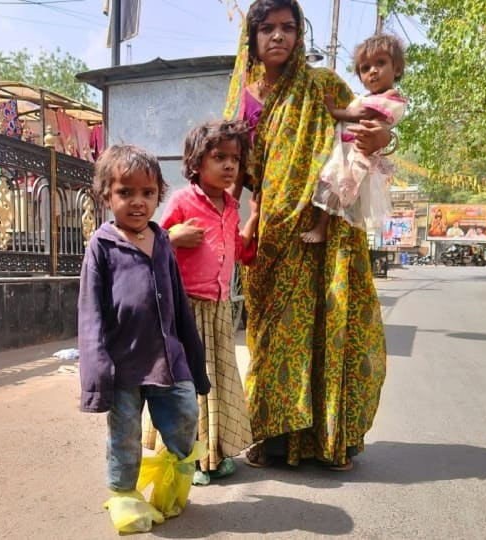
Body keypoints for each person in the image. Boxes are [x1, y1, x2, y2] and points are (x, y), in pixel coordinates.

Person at [224, 0, 391, 471]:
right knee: (274, 336)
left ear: (299, 36)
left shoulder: (324, 86)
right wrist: (235, 222)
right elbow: (236, 170)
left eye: (288, 28)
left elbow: (374, 122)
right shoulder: (241, 97)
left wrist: (383, 139)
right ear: (252, 37)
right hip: (272, 236)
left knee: (330, 326)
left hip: (328, 229)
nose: (278, 36)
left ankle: (331, 439)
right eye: (268, 28)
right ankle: (274, 441)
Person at [77, 144, 211, 531]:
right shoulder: (101, 245)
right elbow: (90, 314)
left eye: (147, 193)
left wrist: (195, 362)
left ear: (158, 195)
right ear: (106, 195)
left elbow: (180, 307)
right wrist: (97, 373)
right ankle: (125, 497)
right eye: (125, 192)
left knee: (186, 416)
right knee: (125, 437)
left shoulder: (162, 240)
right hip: (123, 366)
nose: (137, 202)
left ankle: (174, 481)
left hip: (168, 359)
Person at [142, 120, 259, 486]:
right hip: (187, 310)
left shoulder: (229, 206)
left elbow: (238, 250)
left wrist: (253, 218)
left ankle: (212, 455)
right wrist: (174, 236)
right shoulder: (182, 200)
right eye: (219, 157)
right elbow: (151, 242)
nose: (229, 165)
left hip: (220, 309)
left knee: (217, 382)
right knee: (184, 384)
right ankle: (184, 459)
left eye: (235, 159)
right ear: (196, 161)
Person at [302, 33, 407, 243]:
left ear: (397, 69)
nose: (373, 71)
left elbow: (358, 115)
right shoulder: (368, 98)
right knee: (337, 187)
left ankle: (322, 229)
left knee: (336, 183)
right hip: (348, 148)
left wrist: (333, 110)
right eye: (365, 68)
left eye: (381, 63)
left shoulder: (389, 98)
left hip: (355, 151)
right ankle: (326, 229)